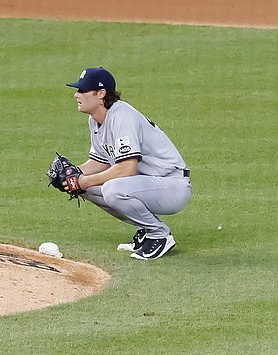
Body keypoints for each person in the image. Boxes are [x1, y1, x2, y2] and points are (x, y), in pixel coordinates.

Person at [64, 67, 192, 260]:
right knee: (85, 188)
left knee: (112, 189)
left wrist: (85, 180)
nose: (76, 94)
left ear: (101, 94)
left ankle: (159, 235)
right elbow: (100, 161)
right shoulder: (95, 119)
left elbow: (127, 168)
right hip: (147, 183)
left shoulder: (122, 116)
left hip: (172, 186)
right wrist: (72, 174)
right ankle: (146, 229)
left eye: (82, 90)